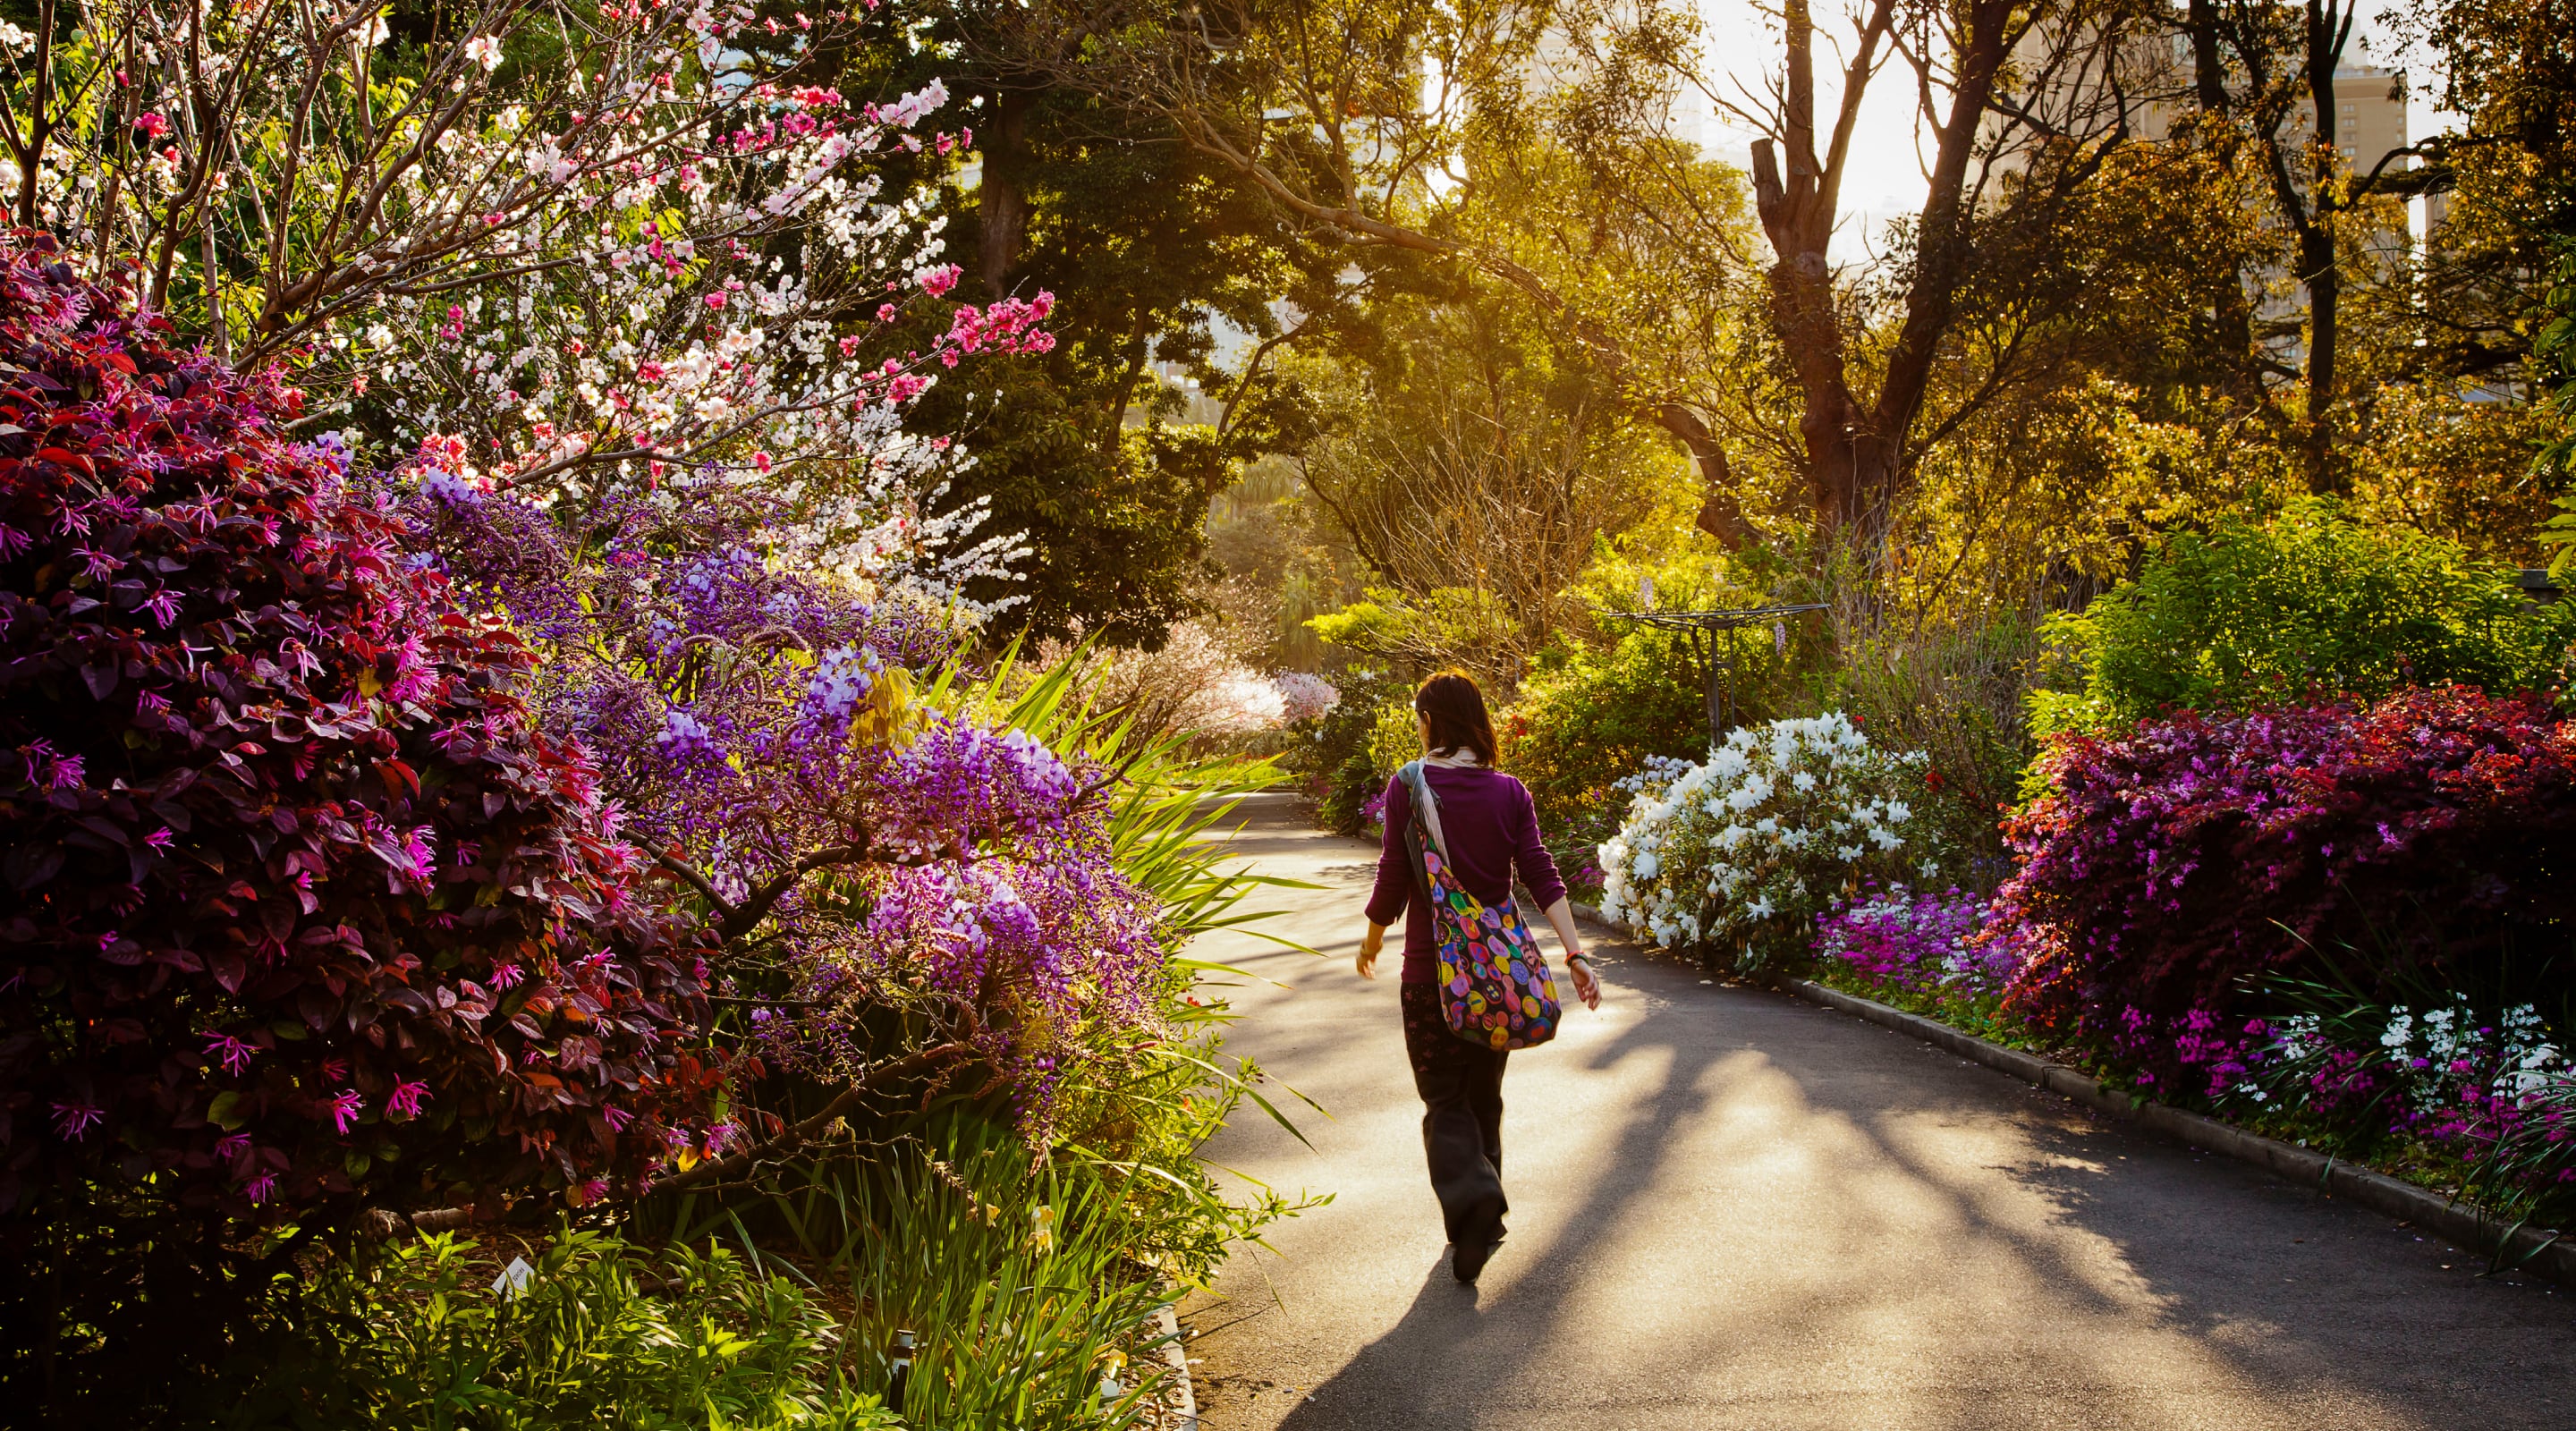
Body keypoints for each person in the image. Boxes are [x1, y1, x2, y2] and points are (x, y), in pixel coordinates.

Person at [1357, 670, 1601, 1283]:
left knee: (1443, 1098)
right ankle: (1484, 1225)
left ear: (1431, 721)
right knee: (1483, 1095)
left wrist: (1373, 936)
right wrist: (1574, 954)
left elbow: (1392, 873)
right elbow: (1541, 873)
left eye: (1420, 718)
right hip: (1496, 978)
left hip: (1429, 973)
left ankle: (1474, 1206)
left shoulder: (1409, 787)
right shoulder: (1510, 791)